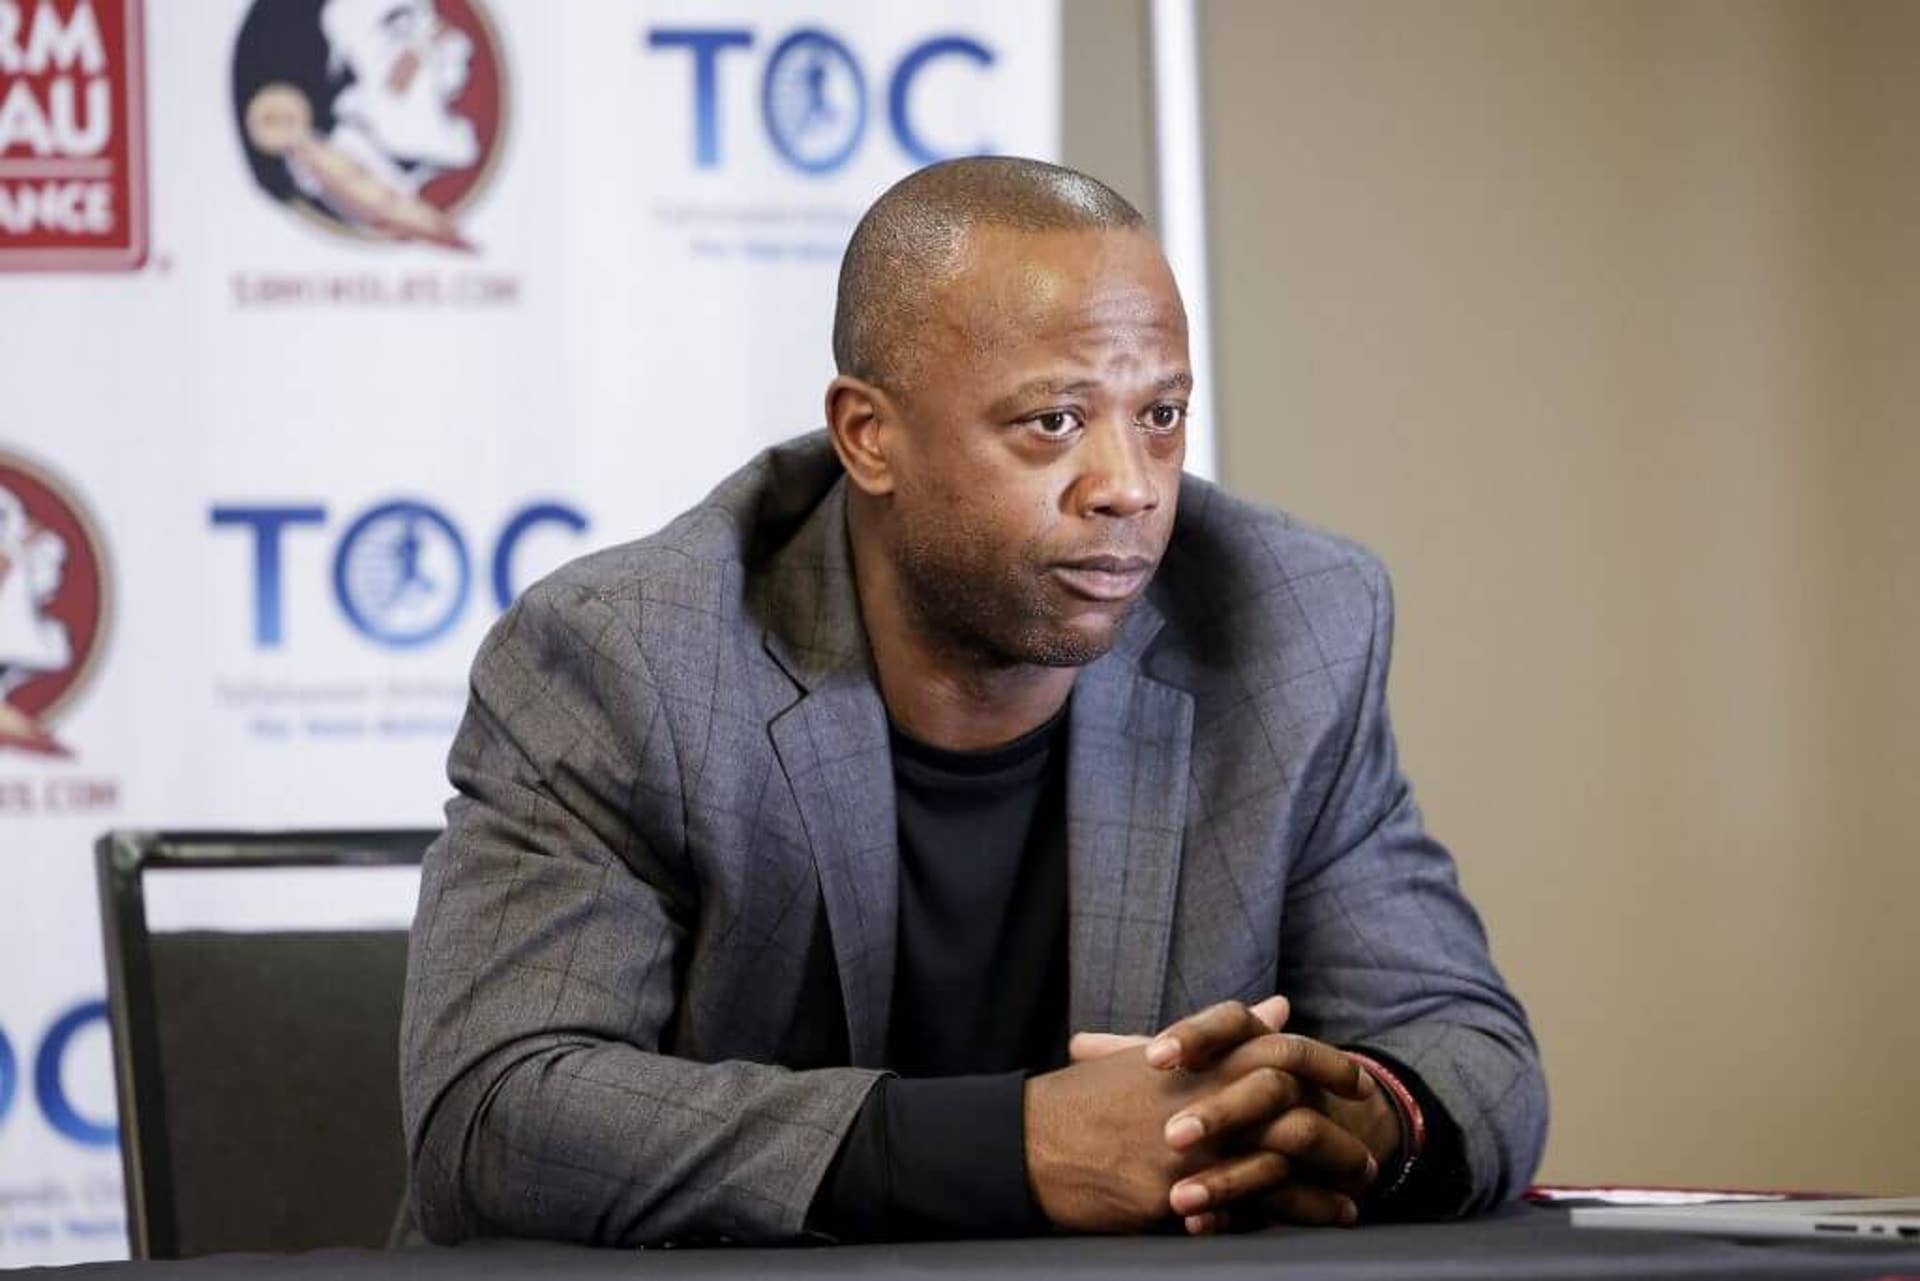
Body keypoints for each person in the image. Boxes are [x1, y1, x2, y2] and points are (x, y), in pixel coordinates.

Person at [399, 156, 1547, 1247]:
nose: (1131, 489)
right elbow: (497, 1113)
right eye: (1053, 421)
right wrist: (1019, 1147)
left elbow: (1471, 1054)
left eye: (1160, 413)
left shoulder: (1292, 623)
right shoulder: (631, 656)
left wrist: (1358, 1121)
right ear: (869, 436)